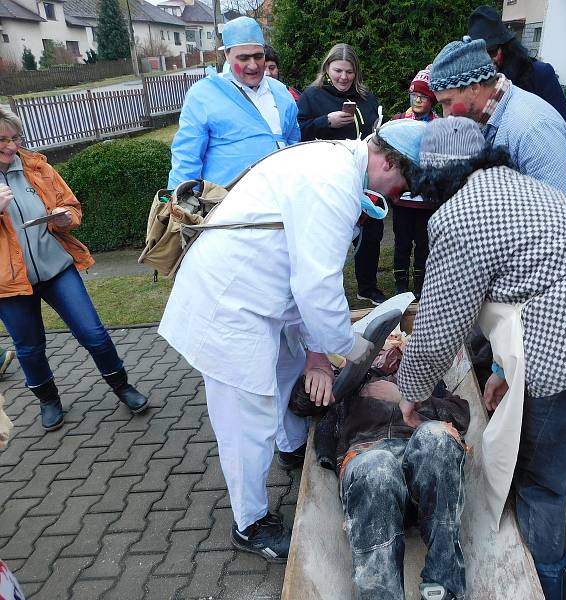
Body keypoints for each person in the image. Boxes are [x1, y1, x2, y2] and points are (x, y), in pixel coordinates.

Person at [391, 117, 566, 600]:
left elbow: (437, 326)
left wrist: (410, 393)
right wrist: (499, 370)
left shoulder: (457, 216)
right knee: (547, 460)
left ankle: (543, 586)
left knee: (538, 480)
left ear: (429, 176)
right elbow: (526, 282)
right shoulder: (525, 187)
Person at [158, 119, 426, 562]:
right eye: (401, 182)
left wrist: (318, 354)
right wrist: (351, 348)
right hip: (230, 304)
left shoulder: (337, 163)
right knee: (248, 420)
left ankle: (291, 447)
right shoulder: (332, 183)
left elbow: (306, 281)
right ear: (388, 160)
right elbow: (317, 288)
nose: (398, 194)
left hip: (262, 297)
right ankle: (250, 524)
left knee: (287, 370)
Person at [0, 108, 148, 432]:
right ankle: (48, 400)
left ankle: (122, 386)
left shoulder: (36, 167)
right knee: (30, 347)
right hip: (9, 285)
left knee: (93, 333)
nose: (11, 147)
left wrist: (65, 216)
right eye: (2, 140)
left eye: (15, 138)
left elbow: (71, 205)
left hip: (57, 269)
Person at [288, 344, 470, 600]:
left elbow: (461, 415)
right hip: (367, 465)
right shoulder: (347, 384)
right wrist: (319, 373)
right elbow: (300, 404)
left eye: (392, 349)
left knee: (438, 437)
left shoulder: (425, 383)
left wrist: (403, 396)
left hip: (423, 475)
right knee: (378, 466)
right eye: (379, 348)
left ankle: (443, 585)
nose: (386, 352)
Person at [428, 36, 566, 202]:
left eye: (448, 102)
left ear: (474, 88)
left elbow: (561, 213)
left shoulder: (534, 128)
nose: (446, 114)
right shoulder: (478, 119)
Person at [297, 43, 386, 306]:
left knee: (371, 233)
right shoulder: (312, 97)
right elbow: (298, 133)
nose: (343, 77)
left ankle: (367, 287)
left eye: (349, 71)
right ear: (327, 68)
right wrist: (326, 122)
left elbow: (375, 130)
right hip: (327, 178)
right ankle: (328, 292)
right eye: (338, 70)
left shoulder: (367, 98)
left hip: (364, 177)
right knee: (331, 236)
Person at [168, 17, 300, 189]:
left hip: (282, 197)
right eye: (244, 58)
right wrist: (178, 202)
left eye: (258, 56)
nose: (253, 66)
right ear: (227, 55)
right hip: (229, 206)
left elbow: (294, 141)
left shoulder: (280, 91)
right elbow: (186, 156)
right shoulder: (203, 95)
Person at [467, 4, 566, 185]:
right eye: (480, 53)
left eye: (491, 51)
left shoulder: (540, 74)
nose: (487, 59)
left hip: (543, 168)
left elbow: (563, 124)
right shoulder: (474, 85)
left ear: (505, 48)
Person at [391, 66, 439, 297]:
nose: (418, 100)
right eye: (414, 95)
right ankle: (400, 286)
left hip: (427, 200)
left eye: (423, 96)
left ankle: (421, 287)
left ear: (432, 100)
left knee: (424, 245)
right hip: (402, 199)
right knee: (401, 243)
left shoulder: (440, 126)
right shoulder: (399, 121)